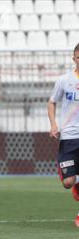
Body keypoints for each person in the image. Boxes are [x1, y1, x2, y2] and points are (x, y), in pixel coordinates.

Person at [48, 43, 79, 227]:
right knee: (68, 182)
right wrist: (53, 124)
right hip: (68, 136)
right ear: (74, 58)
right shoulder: (64, 80)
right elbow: (51, 102)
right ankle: (74, 182)